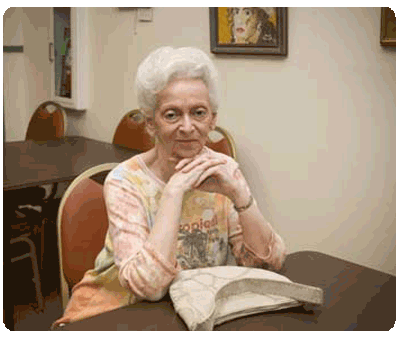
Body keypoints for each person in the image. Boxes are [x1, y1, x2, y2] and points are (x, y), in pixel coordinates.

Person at [51, 46, 287, 329]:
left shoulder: (224, 170)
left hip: (191, 310)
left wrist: (240, 196)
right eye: (172, 115)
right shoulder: (124, 181)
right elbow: (148, 287)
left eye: (198, 113)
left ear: (212, 119)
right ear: (151, 124)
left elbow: (265, 264)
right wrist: (174, 192)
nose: (187, 127)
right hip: (114, 312)